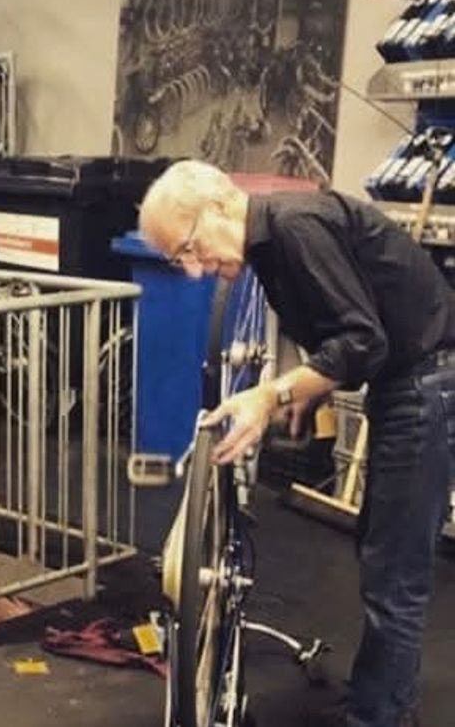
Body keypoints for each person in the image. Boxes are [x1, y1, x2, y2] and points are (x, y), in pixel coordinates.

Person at [139, 160, 452, 727]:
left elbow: (362, 341)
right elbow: (347, 336)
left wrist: (272, 396)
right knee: (381, 551)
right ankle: (383, 700)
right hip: (408, 380)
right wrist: (309, 393)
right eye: (176, 260)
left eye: (187, 248)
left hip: (428, 380)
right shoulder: (269, 251)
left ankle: (379, 716)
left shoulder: (295, 228)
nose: (191, 271)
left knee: (395, 573)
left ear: (217, 207)